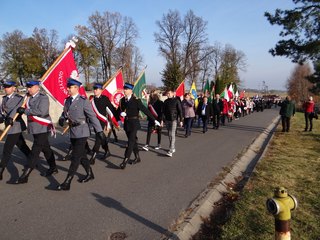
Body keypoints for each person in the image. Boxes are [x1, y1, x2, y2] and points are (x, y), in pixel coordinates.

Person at [57, 78, 107, 190]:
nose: (68, 89)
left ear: (76, 88)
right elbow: (64, 113)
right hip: (73, 131)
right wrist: (61, 118)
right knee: (82, 155)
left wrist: (99, 131)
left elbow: (92, 117)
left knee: (75, 156)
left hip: (82, 131)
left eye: (70, 87)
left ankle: (67, 182)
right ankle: (90, 174)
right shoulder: (67, 101)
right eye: (68, 87)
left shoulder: (83, 101)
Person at [16, 80, 57, 184]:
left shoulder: (43, 98)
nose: (28, 89)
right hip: (34, 127)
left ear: (37, 87)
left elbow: (41, 112)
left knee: (35, 149)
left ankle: (25, 175)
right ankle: (53, 167)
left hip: (43, 127)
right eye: (28, 87)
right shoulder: (27, 98)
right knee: (46, 148)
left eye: (30, 87)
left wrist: (25, 111)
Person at [118, 83, 160, 169]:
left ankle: (125, 160)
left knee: (130, 142)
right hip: (126, 123)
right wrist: (120, 115)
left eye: (126, 89)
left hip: (134, 123)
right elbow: (119, 110)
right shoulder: (122, 100)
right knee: (133, 142)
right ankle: (137, 157)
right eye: (124, 89)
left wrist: (154, 120)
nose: (124, 90)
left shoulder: (136, 100)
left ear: (130, 90)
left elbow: (145, 110)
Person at [0, 81, 31, 181]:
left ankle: (1, 170)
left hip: (15, 125)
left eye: (8, 87)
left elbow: (18, 109)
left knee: (7, 149)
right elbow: (2, 111)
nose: (6, 88)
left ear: (14, 88)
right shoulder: (4, 98)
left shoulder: (19, 98)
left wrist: (11, 117)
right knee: (22, 145)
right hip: (8, 126)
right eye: (5, 87)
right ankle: (33, 160)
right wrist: (1, 117)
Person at [89, 83, 118, 164]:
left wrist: (118, 114)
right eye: (94, 89)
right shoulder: (91, 99)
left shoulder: (105, 99)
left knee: (98, 138)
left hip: (102, 122)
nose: (94, 90)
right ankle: (107, 151)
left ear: (101, 90)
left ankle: (93, 156)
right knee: (101, 138)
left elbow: (111, 109)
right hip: (94, 122)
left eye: (96, 89)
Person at [163, 88, 183, 157]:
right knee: (169, 134)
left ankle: (171, 150)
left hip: (174, 119)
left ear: (172, 93)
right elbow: (163, 111)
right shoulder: (165, 101)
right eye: (167, 93)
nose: (167, 95)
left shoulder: (177, 101)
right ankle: (173, 147)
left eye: (169, 93)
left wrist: (181, 120)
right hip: (167, 120)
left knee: (172, 134)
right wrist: (162, 120)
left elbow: (180, 111)